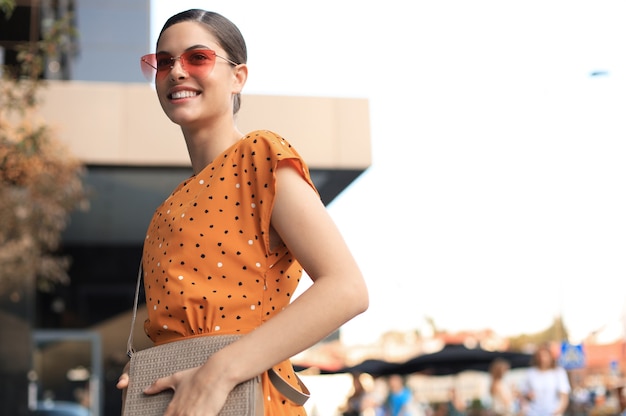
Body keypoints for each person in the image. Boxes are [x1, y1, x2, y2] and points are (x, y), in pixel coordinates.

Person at [115, 8, 368, 416]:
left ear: (238, 77)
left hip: (251, 400)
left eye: (198, 57)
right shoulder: (166, 210)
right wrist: (148, 377)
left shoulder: (261, 156)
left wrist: (217, 373)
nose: (177, 71)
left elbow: (346, 289)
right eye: (164, 62)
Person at [520, 344, 570, 416]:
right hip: (533, 412)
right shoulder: (530, 373)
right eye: (540, 356)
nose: (542, 359)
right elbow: (523, 393)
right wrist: (527, 396)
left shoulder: (558, 372)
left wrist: (558, 411)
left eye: (545, 356)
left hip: (553, 412)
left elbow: (564, 396)